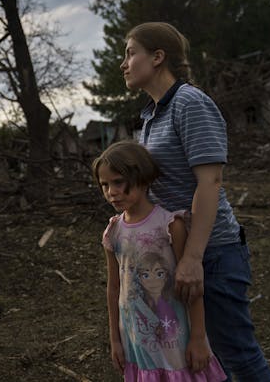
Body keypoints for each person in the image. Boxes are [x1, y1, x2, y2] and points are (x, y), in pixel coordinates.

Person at [119, 22, 270, 380]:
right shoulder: (150, 116)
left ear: (158, 57)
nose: (123, 63)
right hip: (180, 251)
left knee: (238, 356)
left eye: (130, 53)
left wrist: (192, 258)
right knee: (207, 357)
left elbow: (210, 182)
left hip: (212, 251)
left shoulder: (189, 103)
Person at [96, 140, 226, 381]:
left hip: (174, 336)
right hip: (136, 337)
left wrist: (198, 337)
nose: (111, 192)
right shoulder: (112, 232)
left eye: (118, 182)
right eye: (104, 184)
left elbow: (192, 287)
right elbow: (114, 288)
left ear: (143, 179)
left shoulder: (170, 226)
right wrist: (115, 339)